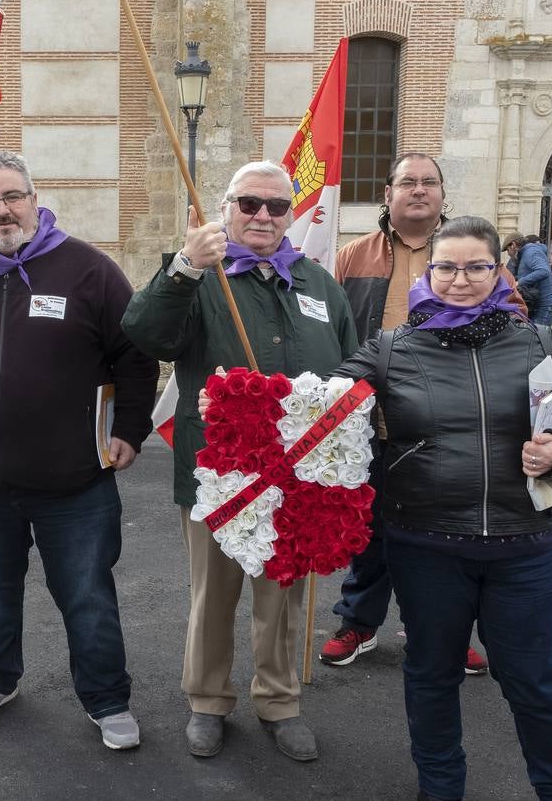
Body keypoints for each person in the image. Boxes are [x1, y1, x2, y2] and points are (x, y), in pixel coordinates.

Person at [333, 216, 552, 801]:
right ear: (429, 271)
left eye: (475, 267)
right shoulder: (389, 349)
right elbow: (320, 404)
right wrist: (246, 396)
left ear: (497, 270)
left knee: (536, 685)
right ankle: (440, 789)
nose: (460, 280)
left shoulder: (537, 340)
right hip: (426, 548)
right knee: (431, 678)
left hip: (523, 550)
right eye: (447, 267)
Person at [0, 150, 157, 750]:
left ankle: (106, 697)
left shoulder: (87, 270)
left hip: (73, 481)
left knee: (87, 595)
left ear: (35, 200)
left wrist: (129, 428)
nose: (2, 210)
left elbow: (136, 353)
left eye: (12, 196)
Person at [121, 160, 358, 762]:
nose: (263, 216)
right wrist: (181, 269)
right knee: (214, 594)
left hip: (300, 477)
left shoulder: (318, 285)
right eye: (249, 203)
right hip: (219, 475)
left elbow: (351, 370)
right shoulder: (202, 277)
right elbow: (145, 334)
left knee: (283, 597)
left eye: (277, 207)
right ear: (226, 208)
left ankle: (279, 702)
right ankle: (207, 700)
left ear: (290, 215)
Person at [324, 153, 518, 675]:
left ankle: (437, 630)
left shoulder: (469, 255)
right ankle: (358, 623)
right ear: (387, 194)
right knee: (366, 532)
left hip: (445, 430)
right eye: (406, 182)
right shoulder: (350, 257)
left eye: (428, 182)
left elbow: (513, 323)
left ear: (442, 194)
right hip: (369, 424)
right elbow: (331, 337)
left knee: (441, 539)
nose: (418, 190)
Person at [505, 233, 552, 325]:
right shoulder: (525, 254)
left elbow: (543, 271)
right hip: (536, 304)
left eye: (507, 249)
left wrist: (519, 282)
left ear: (513, 245)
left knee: (538, 337)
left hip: (544, 306)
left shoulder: (531, 252)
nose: (508, 253)